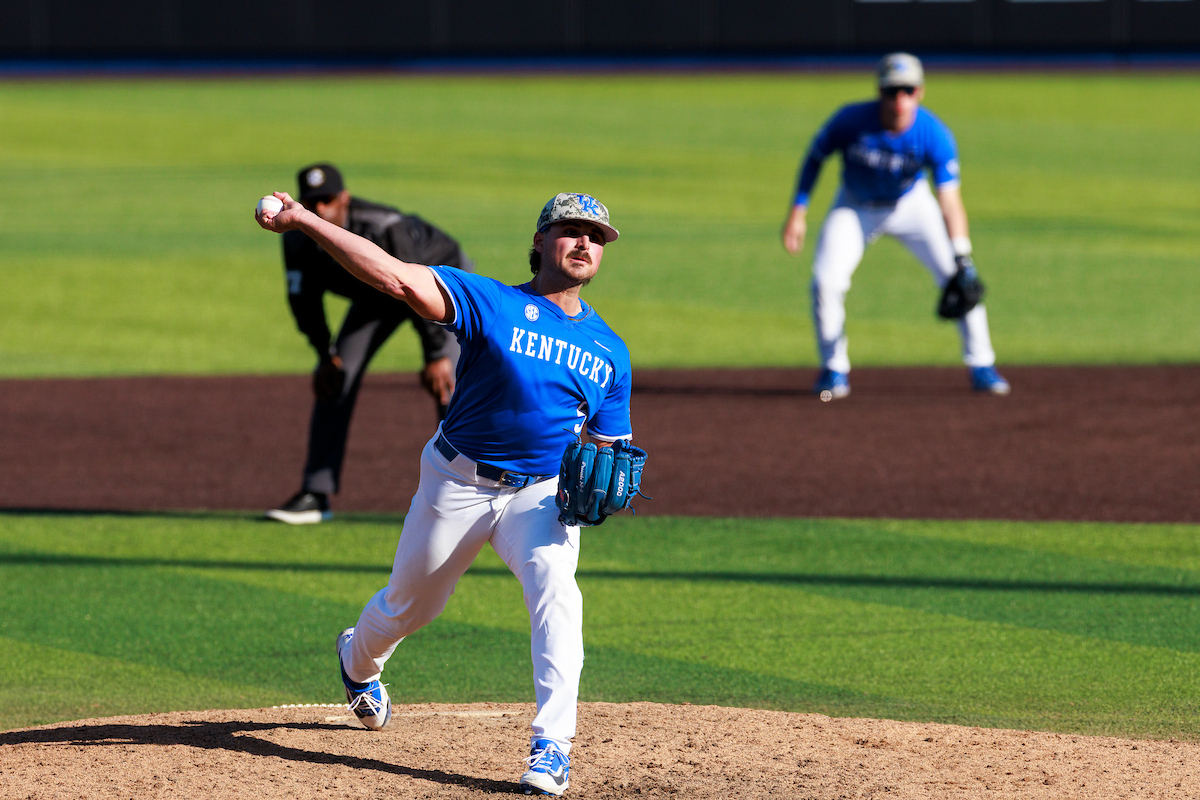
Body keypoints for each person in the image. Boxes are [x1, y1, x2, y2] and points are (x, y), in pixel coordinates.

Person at [255, 190, 634, 797]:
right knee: (411, 605)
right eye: (571, 230)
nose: (585, 243)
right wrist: (303, 220)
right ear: (541, 241)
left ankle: (552, 747)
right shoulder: (492, 302)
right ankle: (358, 661)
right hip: (457, 482)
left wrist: (607, 476)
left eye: (596, 236)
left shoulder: (610, 350)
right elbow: (396, 277)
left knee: (558, 596)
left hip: (540, 497)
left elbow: (610, 444)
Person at [781, 52, 1010, 399]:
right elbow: (815, 159)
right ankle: (833, 369)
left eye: (908, 90)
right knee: (825, 282)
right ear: (880, 92)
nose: (900, 99)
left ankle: (983, 366)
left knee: (962, 279)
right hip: (855, 205)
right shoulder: (850, 120)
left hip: (910, 204)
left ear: (920, 92)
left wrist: (962, 254)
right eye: (892, 91)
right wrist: (798, 211)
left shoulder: (934, 134)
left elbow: (950, 201)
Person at [266, 163, 474, 524]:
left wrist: (435, 354)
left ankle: (462, 495)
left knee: (449, 384)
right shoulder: (297, 237)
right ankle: (316, 494)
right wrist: (324, 354)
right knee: (336, 378)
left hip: (439, 284)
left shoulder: (385, 226)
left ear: (344, 198)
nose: (319, 209)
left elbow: (414, 287)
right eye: (311, 202)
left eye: (327, 200)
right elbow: (304, 302)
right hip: (377, 294)